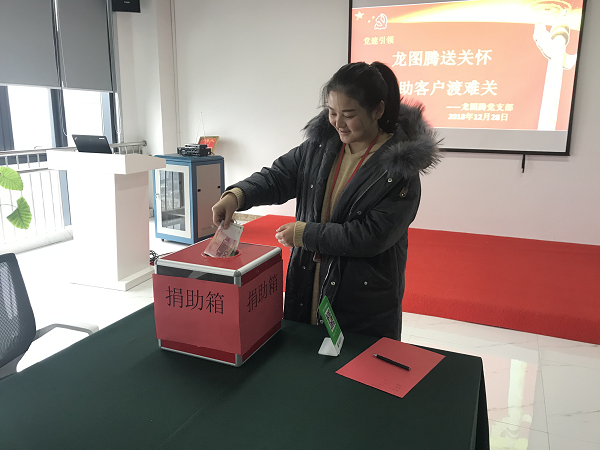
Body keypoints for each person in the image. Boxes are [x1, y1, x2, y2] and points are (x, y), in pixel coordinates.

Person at [212, 61, 440, 339]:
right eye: (332, 112)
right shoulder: (320, 146)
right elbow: (279, 176)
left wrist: (306, 234)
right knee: (305, 355)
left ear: (377, 110)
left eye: (349, 114)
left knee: (352, 362)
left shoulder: (399, 170)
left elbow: (372, 236)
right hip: (308, 282)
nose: (338, 123)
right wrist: (237, 195)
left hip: (361, 298)